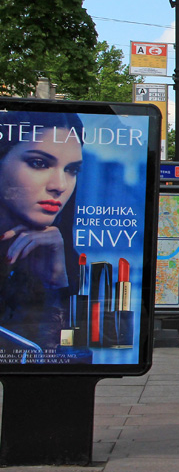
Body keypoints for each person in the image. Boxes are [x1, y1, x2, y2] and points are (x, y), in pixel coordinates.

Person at [0, 112, 84, 354]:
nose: (59, 185)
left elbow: (56, 354)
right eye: (39, 163)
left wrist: (56, 280)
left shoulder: (60, 253)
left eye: (72, 169)